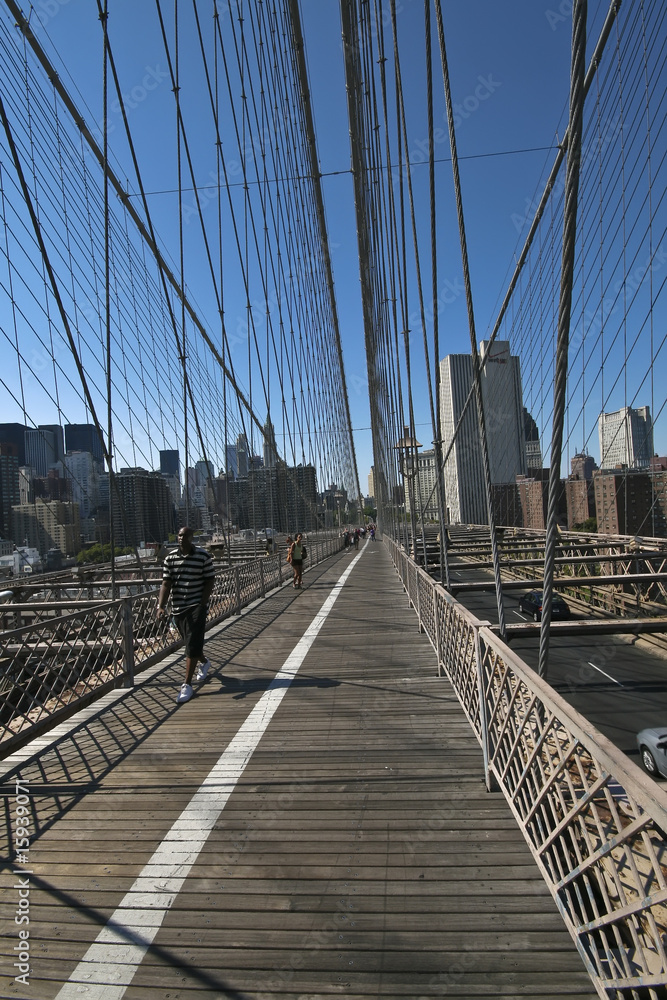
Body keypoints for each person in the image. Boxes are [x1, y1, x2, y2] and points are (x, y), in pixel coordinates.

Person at [157, 526, 216, 704]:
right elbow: (166, 583)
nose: (182, 538)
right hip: (178, 608)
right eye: (180, 535)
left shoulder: (203, 556)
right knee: (190, 642)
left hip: (196, 606)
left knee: (191, 642)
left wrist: (202, 603)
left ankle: (187, 685)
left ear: (192, 537)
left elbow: (210, 580)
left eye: (185, 535)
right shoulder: (170, 558)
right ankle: (204, 662)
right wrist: (161, 606)